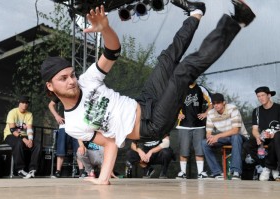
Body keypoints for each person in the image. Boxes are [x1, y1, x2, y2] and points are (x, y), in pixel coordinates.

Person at [40, 0, 255, 184]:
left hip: (143, 102)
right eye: (63, 78)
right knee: (183, 72)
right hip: (150, 126)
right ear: (51, 87)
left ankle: (196, 13)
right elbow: (110, 143)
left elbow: (113, 51)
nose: (72, 81)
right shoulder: (74, 124)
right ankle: (237, 21)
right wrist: (103, 178)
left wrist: (105, 29)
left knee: (167, 59)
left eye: (72, 74)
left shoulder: (87, 80)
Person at [201, 93, 249, 180]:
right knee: (204, 143)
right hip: (225, 137)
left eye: (218, 103)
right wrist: (210, 137)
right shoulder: (211, 113)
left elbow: (236, 130)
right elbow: (208, 132)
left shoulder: (232, 108)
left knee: (235, 136)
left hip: (240, 137)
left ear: (224, 102)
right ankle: (217, 173)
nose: (216, 105)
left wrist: (217, 136)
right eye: (214, 103)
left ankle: (236, 172)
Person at [243, 86, 280, 181]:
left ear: (269, 95)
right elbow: (254, 129)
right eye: (258, 96)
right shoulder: (256, 111)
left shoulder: (278, 108)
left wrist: (273, 134)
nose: (260, 98)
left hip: (277, 137)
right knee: (247, 145)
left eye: (263, 95)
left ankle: (272, 168)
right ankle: (266, 167)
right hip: (264, 137)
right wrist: (258, 136)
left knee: (275, 140)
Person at [176, 82, 212, 179]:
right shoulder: (180, 88)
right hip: (184, 125)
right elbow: (172, 105)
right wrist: (177, 115)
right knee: (184, 151)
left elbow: (211, 103)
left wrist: (206, 113)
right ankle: (182, 172)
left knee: (199, 150)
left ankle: (201, 173)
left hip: (198, 126)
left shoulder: (201, 89)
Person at [3, 96, 41, 179]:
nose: (25, 105)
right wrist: (24, 140)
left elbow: (29, 129)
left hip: (24, 136)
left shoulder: (29, 114)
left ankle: (33, 169)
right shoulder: (12, 112)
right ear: (19, 103)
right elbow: (13, 130)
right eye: (23, 103)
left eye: (26, 103)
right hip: (10, 135)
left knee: (37, 144)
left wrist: (30, 139)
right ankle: (20, 170)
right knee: (19, 142)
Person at [48, 97, 84, 177]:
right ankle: (58, 171)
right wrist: (56, 116)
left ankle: (82, 171)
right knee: (61, 148)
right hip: (64, 126)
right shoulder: (61, 93)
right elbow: (50, 105)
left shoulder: (79, 94)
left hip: (76, 126)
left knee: (78, 148)